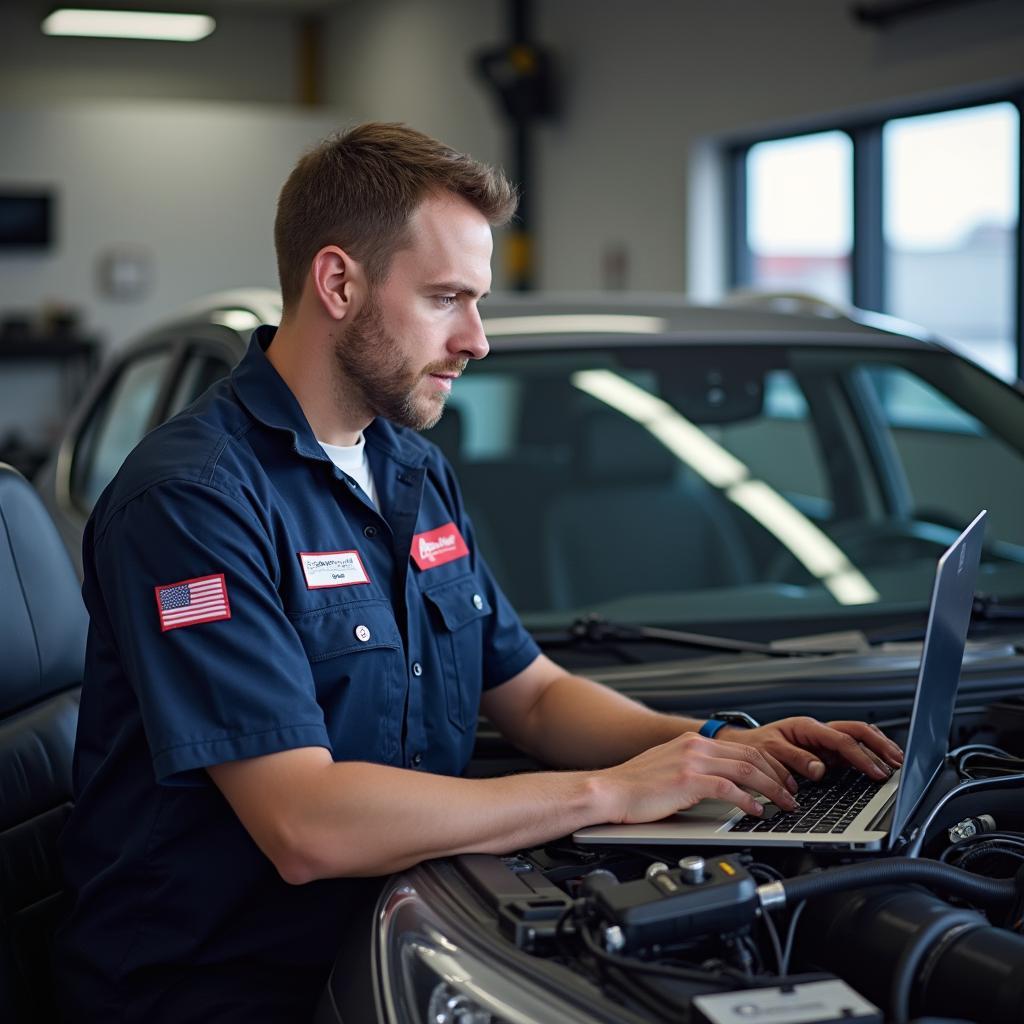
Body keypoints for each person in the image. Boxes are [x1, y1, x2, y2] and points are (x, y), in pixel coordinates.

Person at [55, 123, 904, 1022]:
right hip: (224, 990)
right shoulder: (194, 500)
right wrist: (614, 791)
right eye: (447, 298)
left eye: (480, 300)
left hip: (409, 938)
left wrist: (713, 749)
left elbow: (532, 696)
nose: (477, 340)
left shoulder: (409, 468)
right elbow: (305, 823)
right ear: (337, 282)